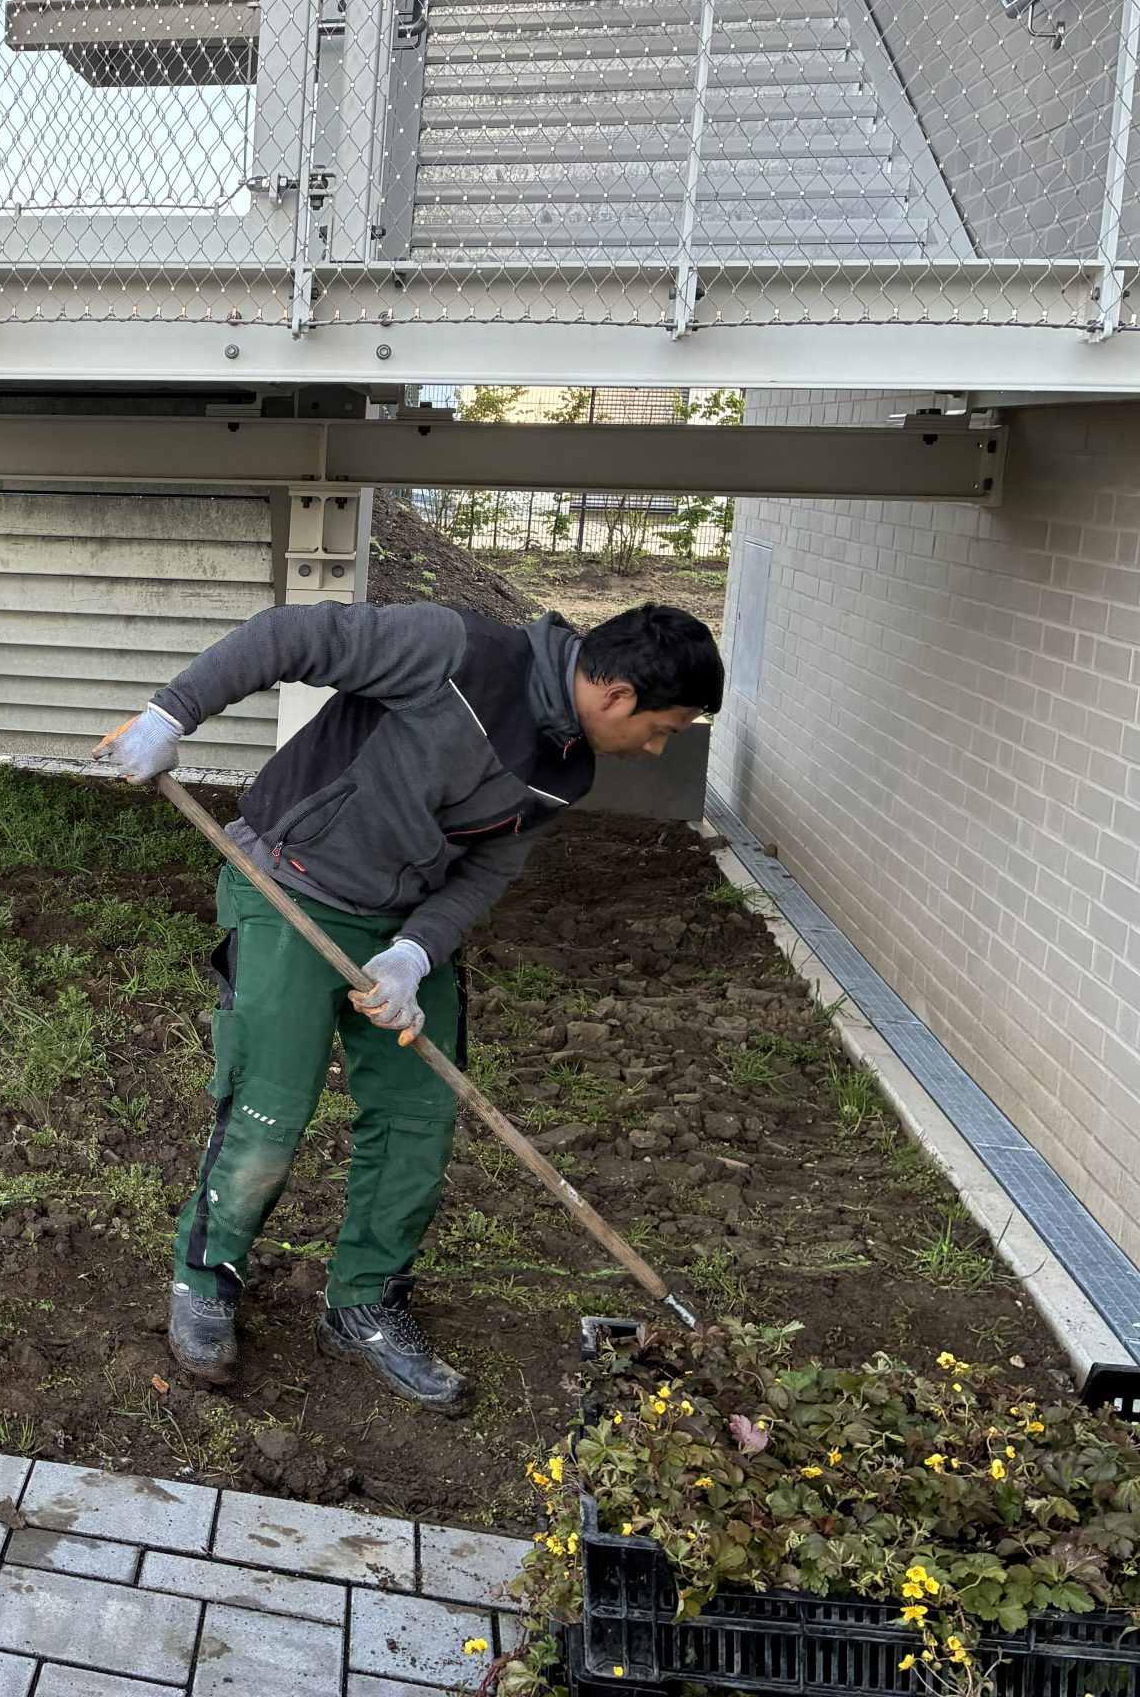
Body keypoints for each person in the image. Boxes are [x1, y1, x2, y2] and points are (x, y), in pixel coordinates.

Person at [93, 597, 721, 1413]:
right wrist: (170, 714)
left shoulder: (567, 768)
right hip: (289, 886)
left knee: (421, 1114)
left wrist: (415, 953)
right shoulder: (455, 652)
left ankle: (363, 1304)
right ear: (619, 695)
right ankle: (204, 1282)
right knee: (270, 1108)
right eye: (666, 726)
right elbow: (292, 636)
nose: (659, 745)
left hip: (398, 931)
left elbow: (488, 871)